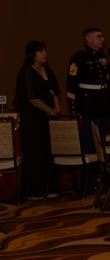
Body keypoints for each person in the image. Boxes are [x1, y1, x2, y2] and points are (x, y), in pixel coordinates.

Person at [14, 41, 61, 199]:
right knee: (35, 153)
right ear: (32, 54)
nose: (45, 54)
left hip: (48, 119)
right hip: (33, 120)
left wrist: (56, 108)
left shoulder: (48, 70)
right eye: (41, 51)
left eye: (45, 51)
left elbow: (54, 91)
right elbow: (31, 97)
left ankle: (50, 187)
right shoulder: (26, 71)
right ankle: (35, 190)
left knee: (48, 152)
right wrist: (49, 110)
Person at [66, 27, 109, 159]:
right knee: (88, 145)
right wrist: (75, 110)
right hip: (86, 106)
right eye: (99, 36)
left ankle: (101, 175)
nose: (103, 39)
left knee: (101, 143)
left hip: (101, 106)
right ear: (88, 39)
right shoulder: (79, 57)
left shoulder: (102, 57)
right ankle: (88, 179)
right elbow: (71, 85)